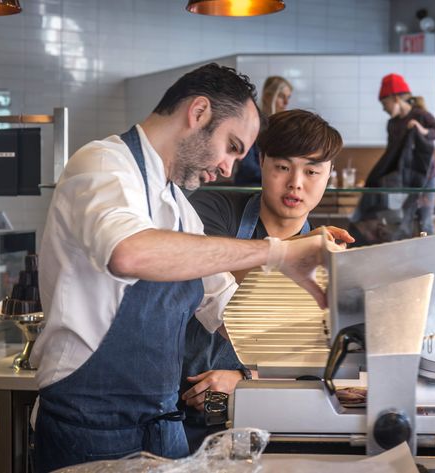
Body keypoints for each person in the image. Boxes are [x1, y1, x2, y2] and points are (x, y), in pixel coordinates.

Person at [30, 64, 337, 473]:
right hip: (90, 424)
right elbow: (130, 253)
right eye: (231, 145)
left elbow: (226, 306)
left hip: (161, 422)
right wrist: (277, 253)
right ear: (198, 113)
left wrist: (331, 345)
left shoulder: (178, 207)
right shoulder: (103, 165)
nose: (229, 168)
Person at [181, 109, 353, 451]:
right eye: (283, 167)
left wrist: (245, 381)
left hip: (276, 423)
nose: (296, 183)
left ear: (329, 175)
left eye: (312, 171)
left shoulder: (328, 251)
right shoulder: (212, 209)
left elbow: (314, 359)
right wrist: (295, 249)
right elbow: (205, 268)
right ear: (261, 162)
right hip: (186, 416)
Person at [354, 73, 435, 240]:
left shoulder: (420, 115)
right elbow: (391, 155)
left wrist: (423, 131)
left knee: (426, 221)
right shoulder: (392, 124)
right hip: (404, 180)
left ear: (395, 99)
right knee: (404, 221)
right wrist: (376, 178)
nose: (383, 108)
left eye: (384, 103)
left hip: (427, 178)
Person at [233, 76, 293, 186]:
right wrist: (278, 176)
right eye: (281, 96)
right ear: (267, 96)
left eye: (288, 97)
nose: (286, 102)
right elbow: (247, 166)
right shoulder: (251, 123)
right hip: (250, 187)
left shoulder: (283, 127)